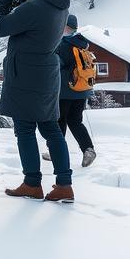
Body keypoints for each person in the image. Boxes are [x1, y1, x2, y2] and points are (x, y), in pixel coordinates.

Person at [0, 0, 75, 203]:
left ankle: (32, 183)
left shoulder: (35, 7)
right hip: (47, 73)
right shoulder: (58, 4)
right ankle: (64, 185)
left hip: (26, 74)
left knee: (25, 130)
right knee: (51, 129)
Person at [43, 14, 96, 167]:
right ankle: (88, 149)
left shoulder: (63, 44)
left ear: (65, 27)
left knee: (59, 121)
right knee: (75, 121)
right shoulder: (82, 43)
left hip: (64, 91)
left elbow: (56, 64)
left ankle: (55, 152)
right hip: (82, 90)